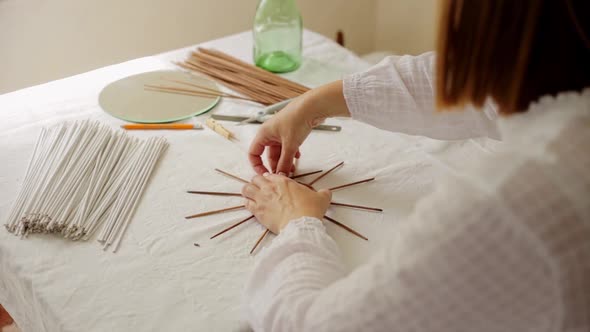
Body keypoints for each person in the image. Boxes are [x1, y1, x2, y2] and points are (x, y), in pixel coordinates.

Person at [241, 1, 590, 331]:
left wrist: (297, 223)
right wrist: (314, 103)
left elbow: (315, 325)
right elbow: (475, 87)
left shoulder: (513, 200)